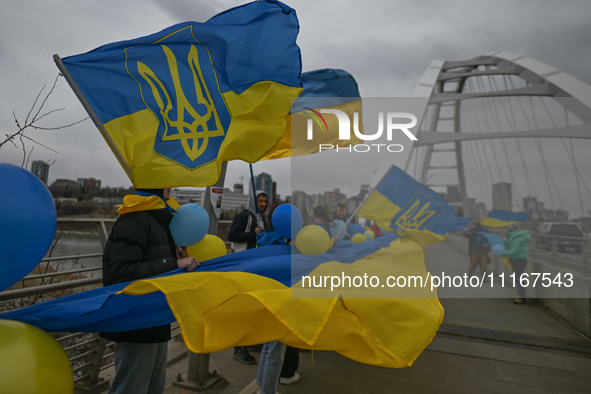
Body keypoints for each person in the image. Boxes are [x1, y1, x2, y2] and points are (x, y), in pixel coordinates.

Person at [100, 188, 199, 394]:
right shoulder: (134, 220)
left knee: (154, 388)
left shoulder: (157, 220)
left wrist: (179, 258)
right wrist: (173, 263)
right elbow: (123, 271)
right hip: (135, 322)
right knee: (130, 387)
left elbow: (153, 261)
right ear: (153, 185)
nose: (171, 187)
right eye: (166, 181)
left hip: (154, 319)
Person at [255, 204, 300, 392]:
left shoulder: (266, 239)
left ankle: (260, 384)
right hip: (279, 300)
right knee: (276, 351)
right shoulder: (282, 245)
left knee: (268, 345)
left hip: (266, 296)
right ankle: (267, 391)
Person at [227, 190, 268, 364]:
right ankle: (239, 347)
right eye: (260, 200)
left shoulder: (262, 219)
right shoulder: (244, 216)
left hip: (255, 265)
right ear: (254, 201)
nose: (263, 204)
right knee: (243, 305)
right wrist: (254, 233)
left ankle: (251, 341)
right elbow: (232, 235)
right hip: (242, 264)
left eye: (265, 201)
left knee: (253, 304)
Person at [504, 223, 532, 304]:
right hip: (521, 260)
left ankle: (521, 297)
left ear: (511, 230)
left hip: (518, 261)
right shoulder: (518, 236)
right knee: (519, 279)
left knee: (519, 279)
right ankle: (521, 296)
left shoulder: (515, 238)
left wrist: (503, 253)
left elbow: (514, 251)